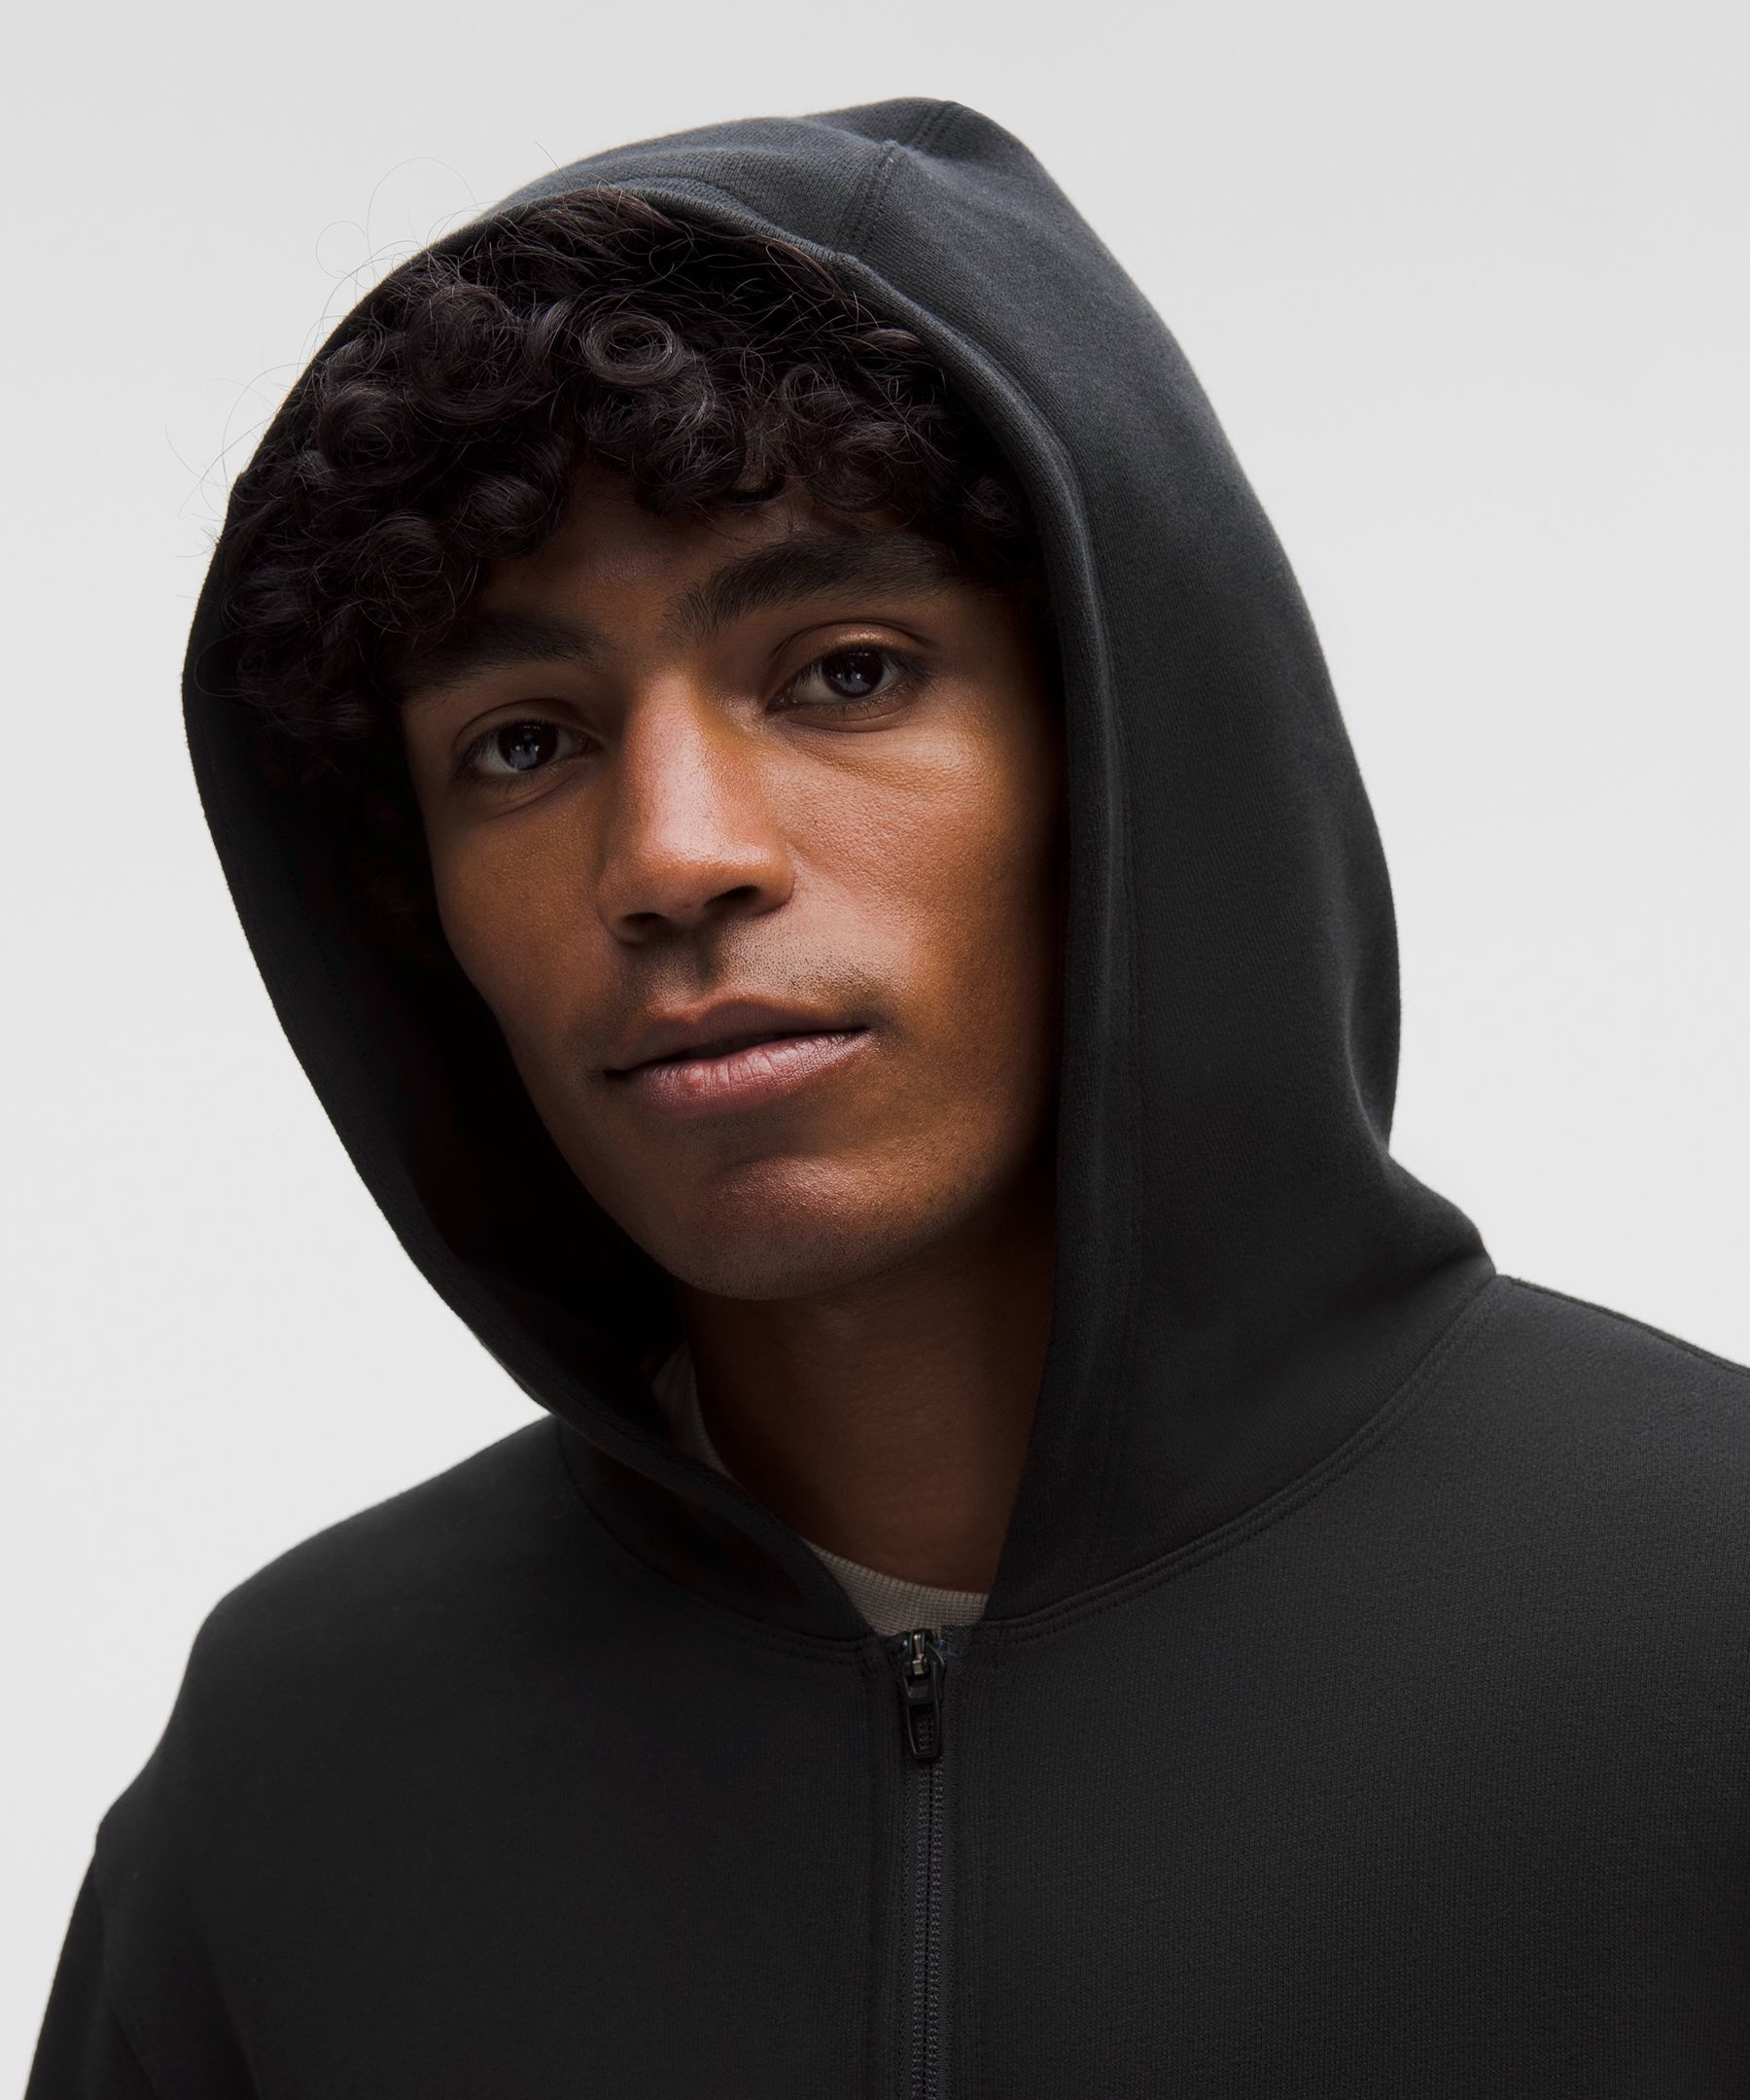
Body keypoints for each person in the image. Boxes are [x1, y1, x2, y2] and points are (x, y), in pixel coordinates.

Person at [25, 97, 1750, 2096]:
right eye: (521, 743)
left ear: (1123, 740)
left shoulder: (1705, 1629)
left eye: (844, 672)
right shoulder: (297, 1771)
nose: (673, 855)